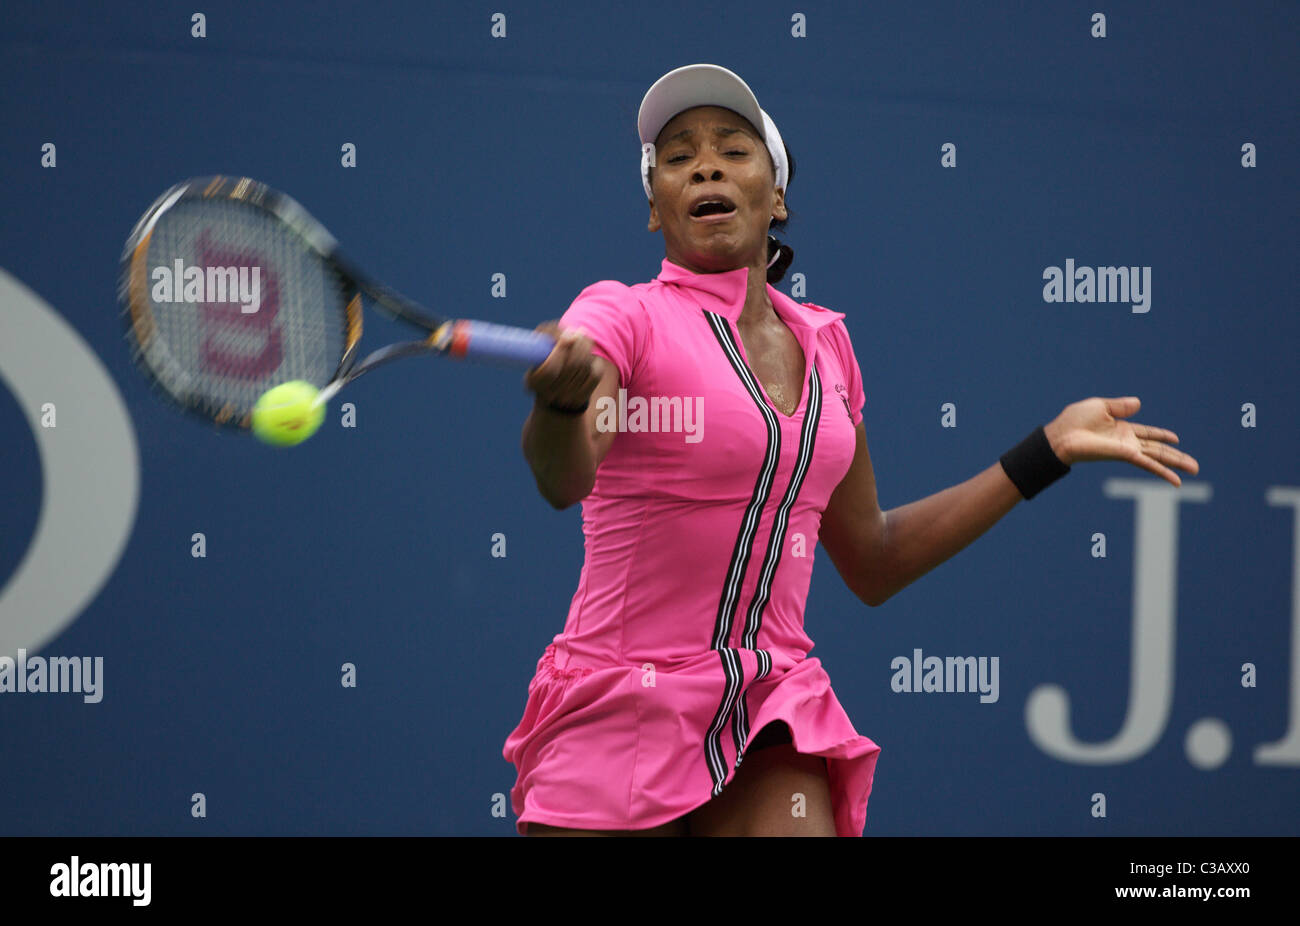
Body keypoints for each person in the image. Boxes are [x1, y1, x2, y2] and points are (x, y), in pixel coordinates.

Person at [503, 64, 1200, 837]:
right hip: (620, 704)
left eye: (733, 149)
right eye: (677, 156)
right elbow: (562, 476)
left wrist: (1048, 450)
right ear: (655, 209)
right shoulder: (617, 315)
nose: (705, 163)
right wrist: (563, 400)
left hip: (767, 701)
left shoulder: (828, 348)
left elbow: (874, 557)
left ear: (777, 195)